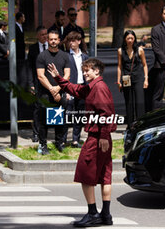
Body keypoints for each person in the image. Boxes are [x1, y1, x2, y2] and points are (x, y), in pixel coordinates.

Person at [47, 58, 116, 227]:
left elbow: (105, 114)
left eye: (87, 70)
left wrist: (103, 136)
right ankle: (105, 215)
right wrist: (58, 77)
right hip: (102, 138)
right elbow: (76, 89)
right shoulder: (94, 87)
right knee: (104, 176)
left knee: (85, 175)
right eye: (84, 70)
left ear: (97, 71)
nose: (84, 73)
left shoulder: (98, 88)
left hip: (97, 138)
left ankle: (93, 214)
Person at [36, 30, 70, 155]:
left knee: (59, 120)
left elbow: (67, 74)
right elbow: (40, 76)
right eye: (51, 39)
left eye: (55, 39)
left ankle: (59, 143)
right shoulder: (42, 56)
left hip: (60, 92)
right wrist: (51, 89)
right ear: (48, 40)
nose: (53, 41)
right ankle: (43, 145)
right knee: (43, 121)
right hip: (45, 94)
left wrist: (58, 89)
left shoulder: (65, 56)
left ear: (59, 40)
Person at [117, 30, 148, 128]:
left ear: (134, 39)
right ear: (125, 39)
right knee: (129, 102)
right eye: (128, 38)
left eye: (132, 38)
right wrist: (118, 80)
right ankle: (130, 125)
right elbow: (119, 66)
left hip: (138, 77)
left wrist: (146, 78)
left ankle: (140, 124)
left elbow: (144, 65)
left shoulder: (139, 50)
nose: (130, 40)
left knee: (139, 101)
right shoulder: (120, 51)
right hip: (126, 78)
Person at [62, 31, 89, 148]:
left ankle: (75, 139)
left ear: (79, 41)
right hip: (70, 87)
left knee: (79, 113)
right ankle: (62, 140)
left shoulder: (85, 56)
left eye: (74, 40)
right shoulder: (66, 55)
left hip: (82, 87)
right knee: (67, 114)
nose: (71, 43)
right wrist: (66, 90)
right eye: (70, 41)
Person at [27, 26, 48, 143]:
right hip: (37, 82)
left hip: (50, 82)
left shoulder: (52, 47)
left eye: (46, 34)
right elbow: (29, 67)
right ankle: (36, 133)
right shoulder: (33, 49)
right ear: (37, 36)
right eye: (42, 35)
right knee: (37, 108)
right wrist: (31, 84)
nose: (45, 37)